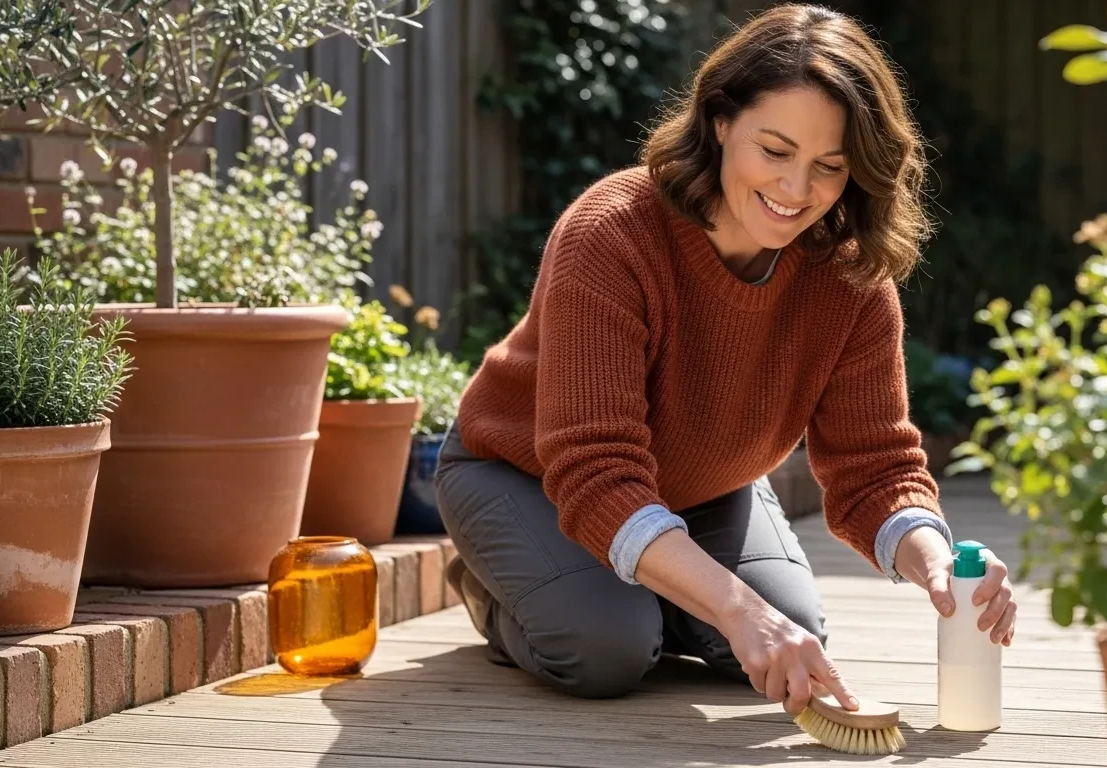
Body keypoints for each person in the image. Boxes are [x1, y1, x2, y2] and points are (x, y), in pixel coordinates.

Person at [435, 2, 1017, 718]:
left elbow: (878, 468)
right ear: (719, 120)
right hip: (525, 472)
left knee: (794, 638)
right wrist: (737, 611)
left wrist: (938, 565)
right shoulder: (612, 234)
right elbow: (595, 475)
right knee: (605, 647)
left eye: (829, 167)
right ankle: (494, 586)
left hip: (704, 486)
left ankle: (646, 581)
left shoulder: (850, 278)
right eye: (774, 152)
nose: (796, 191)